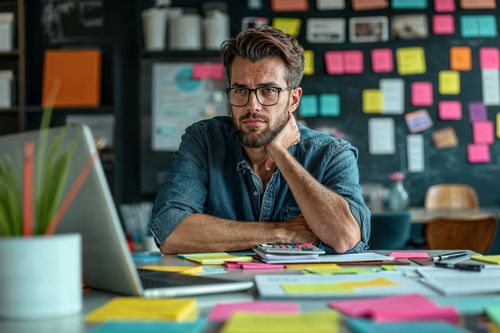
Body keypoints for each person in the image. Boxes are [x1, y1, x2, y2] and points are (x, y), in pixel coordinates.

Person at [150, 26, 370, 254]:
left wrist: (281, 154)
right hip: (224, 287)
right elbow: (170, 230)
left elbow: (345, 238)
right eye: (240, 90)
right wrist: (281, 231)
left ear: (293, 100)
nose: (252, 105)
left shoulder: (331, 153)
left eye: (268, 90)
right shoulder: (204, 141)